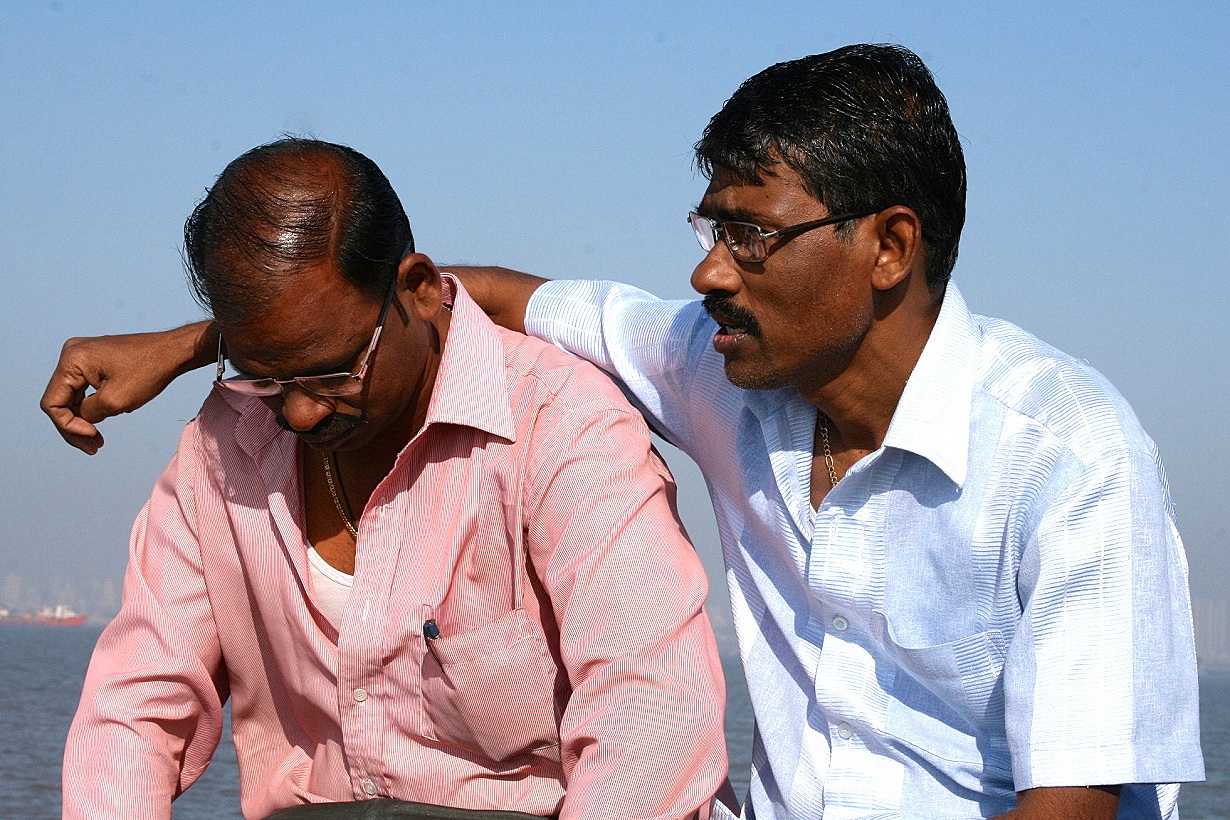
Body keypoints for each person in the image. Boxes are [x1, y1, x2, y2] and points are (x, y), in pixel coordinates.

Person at [43, 45, 1203, 819]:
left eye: (750, 235)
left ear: (889, 246)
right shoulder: (715, 367)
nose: (706, 270)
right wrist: (208, 346)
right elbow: (474, 293)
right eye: (710, 225)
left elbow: (1074, 802)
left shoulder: (1073, 460)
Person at [58, 138, 729, 820]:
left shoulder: (563, 428)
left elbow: (648, 713)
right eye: (265, 376)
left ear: (416, 290)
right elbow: (134, 711)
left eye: (333, 373)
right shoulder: (225, 442)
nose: (300, 410)